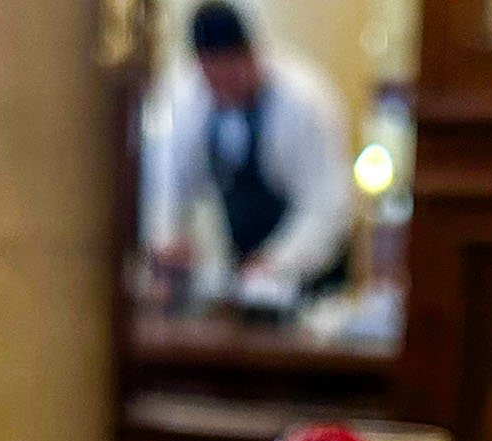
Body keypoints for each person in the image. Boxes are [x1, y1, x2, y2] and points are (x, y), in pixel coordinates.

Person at [145, 3, 354, 309]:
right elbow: (169, 184)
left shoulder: (305, 101)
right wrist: (167, 239)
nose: (222, 89)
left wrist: (278, 262)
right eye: (213, 80)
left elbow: (328, 205)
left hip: (314, 279)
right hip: (245, 276)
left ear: (252, 54)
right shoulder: (188, 98)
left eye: (231, 76)